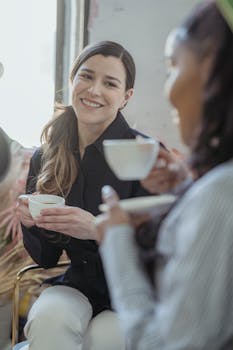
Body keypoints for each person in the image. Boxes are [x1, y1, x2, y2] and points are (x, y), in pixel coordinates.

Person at [97, 1, 233, 349]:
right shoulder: (213, 188)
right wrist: (185, 192)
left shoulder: (221, 193)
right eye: (85, 76)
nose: (167, 90)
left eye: (173, 65)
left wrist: (116, 241)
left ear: (214, 66)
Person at [17, 41, 152, 350]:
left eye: (110, 83)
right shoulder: (46, 155)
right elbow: (47, 258)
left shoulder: (146, 156)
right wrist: (32, 222)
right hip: (77, 283)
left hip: (133, 291)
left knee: (105, 337)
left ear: (126, 97)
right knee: (48, 318)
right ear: (72, 80)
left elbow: (162, 249)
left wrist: (97, 229)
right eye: (87, 76)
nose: (94, 90)